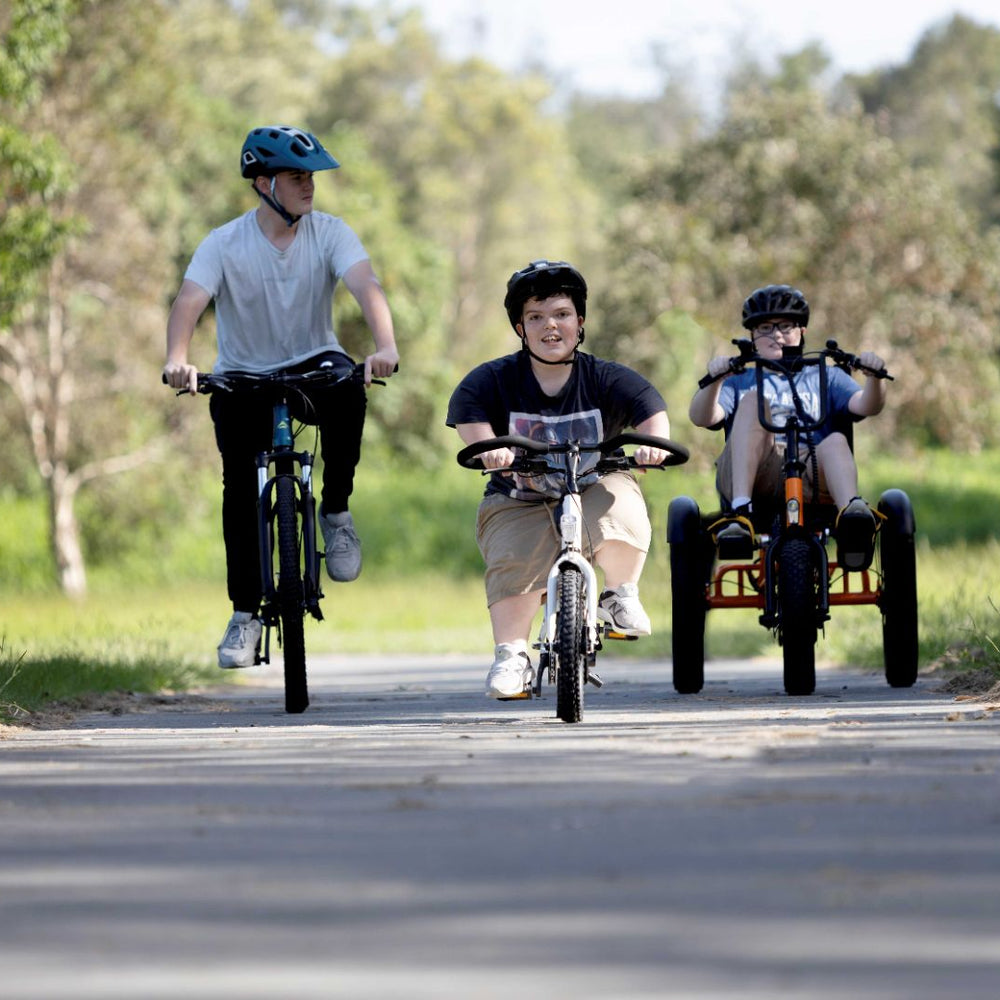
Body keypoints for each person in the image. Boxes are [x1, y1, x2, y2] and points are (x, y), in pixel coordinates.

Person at [163, 125, 398, 668]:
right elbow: (188, 302)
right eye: (298, 177)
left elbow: (366, 285)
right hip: (242, 374)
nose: (309, 185)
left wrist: (384, 345)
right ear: (265, 183)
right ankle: (244, 615)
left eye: (311, 176)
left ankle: (335, 511)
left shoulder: (330, 232)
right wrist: (178, 359)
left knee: (351, 389)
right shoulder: (223, 242)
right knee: (239, 491)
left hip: (315, 361)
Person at [447, 259, 672, 699]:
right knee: (513, 558)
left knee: (622, 501)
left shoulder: (605, 377)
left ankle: (619, 593)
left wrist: (653, 445)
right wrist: (489, 449)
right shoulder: (491, 380)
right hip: (519, 496)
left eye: (562, 314)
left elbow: (651, 410)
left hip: (592, 486)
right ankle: (511, 655)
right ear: (520, 327)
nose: (550, 326)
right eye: (536, 317)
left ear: (580, 322)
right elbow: (470, 421)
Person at [688, 283, 887, 570]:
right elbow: (702, 417)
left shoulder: (826, 375)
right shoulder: (740, 380)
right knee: (753, 403)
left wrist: (874, 379)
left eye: (785, 326)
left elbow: (867, 405)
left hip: (812, 472)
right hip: (759, 474)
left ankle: (851, 520)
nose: (776, 334)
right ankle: (740, 514)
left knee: (835, 441)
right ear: (752, 336)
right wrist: (716, 379)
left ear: (802, 331)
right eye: (765, 328)